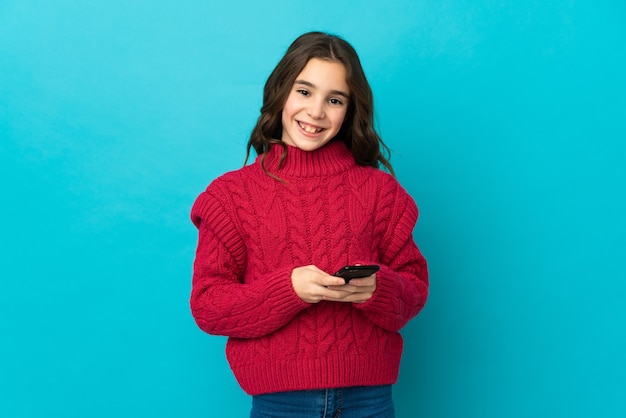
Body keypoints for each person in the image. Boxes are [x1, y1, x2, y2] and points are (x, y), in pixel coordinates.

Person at [190, 31, 429, 418]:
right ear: (281, 91)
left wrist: (376, 289)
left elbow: (415, 290)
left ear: (349, 110)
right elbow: (209, 306)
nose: (316, 112)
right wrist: (289, 289)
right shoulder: (229, 197)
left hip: (369, 399)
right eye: (304, 92)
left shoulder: (381, 192)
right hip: (280, 402)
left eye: (334, 100)